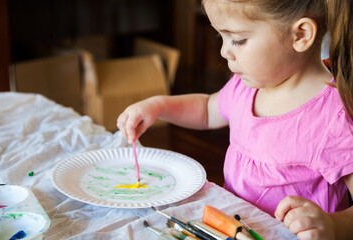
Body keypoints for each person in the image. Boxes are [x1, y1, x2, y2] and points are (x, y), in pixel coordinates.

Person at [117, 0, 353, 239]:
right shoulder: (247, 87)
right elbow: (207, 110)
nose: (223, 51)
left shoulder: (335, 116)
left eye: (237, 39)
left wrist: (333, 225)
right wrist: (159, 106)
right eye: (221, 37)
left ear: (300, 35)